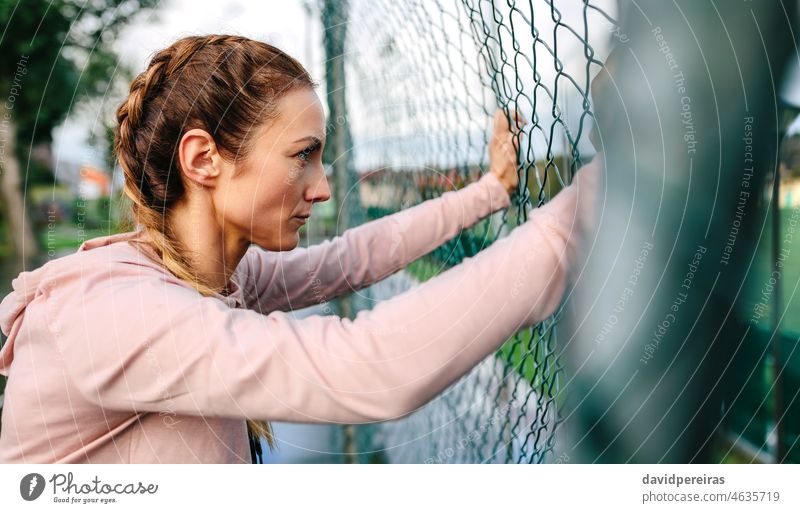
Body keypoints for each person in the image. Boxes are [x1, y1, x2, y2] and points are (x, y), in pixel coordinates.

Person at [0, 34, 600, 463]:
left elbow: (354, 258)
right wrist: (599, 203)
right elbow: (372, 368)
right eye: (301, 155)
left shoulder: (219, 275)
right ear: (203, 160)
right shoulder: (113, 310)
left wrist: (489, 193)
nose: (323, 184)